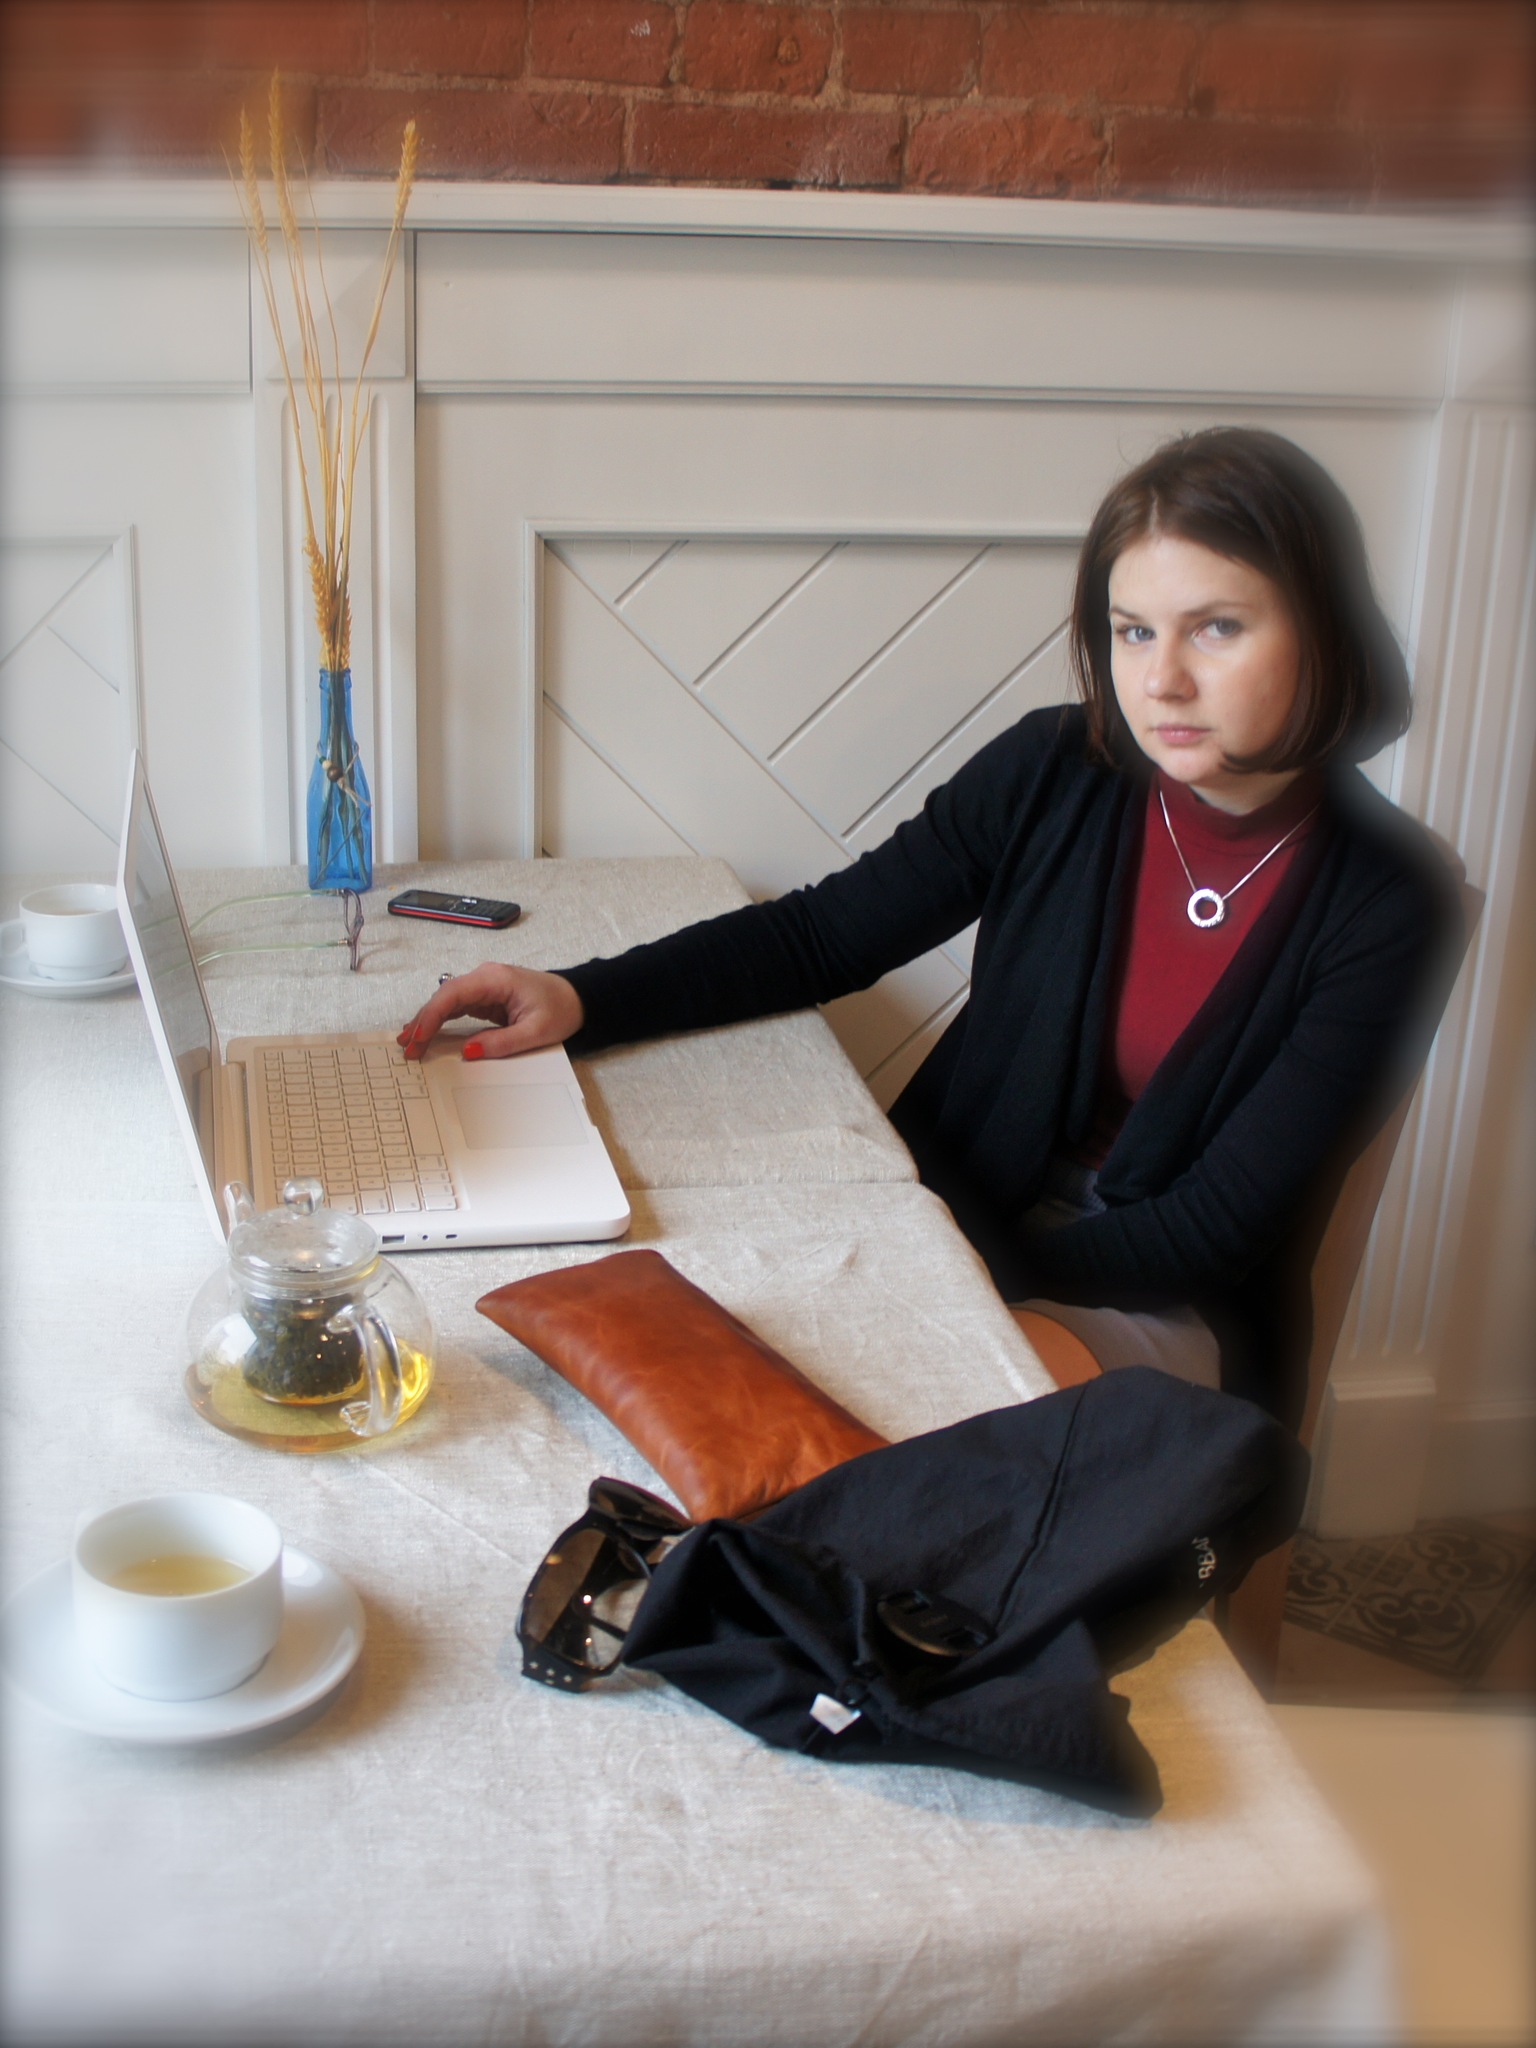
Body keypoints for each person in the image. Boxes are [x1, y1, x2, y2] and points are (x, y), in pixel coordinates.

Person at [399, 429, 1462, 1430]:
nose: (1160, 679)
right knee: (661, 1349)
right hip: (956, 1221)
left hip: (1164, 1302)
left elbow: (1215, 1229)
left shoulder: (1393, 899)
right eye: (1134, 630)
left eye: (1216, 627)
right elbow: (821, 936)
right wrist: (583, 995)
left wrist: (941, 1269)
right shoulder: (1055, 768)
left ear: (1322, 627)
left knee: (874, 1439)